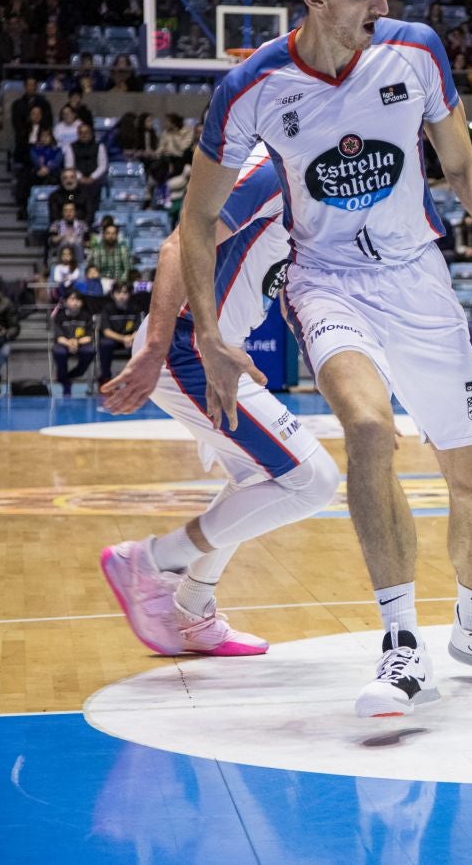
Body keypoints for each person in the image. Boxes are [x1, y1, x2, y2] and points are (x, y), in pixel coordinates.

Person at [178, 0, 472, 717]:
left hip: (420, 280)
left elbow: (463, 165)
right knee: (368, 428)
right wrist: (208, 334)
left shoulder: (417, 51)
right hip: (328, 281)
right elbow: (197, 219)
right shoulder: (252, 86)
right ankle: (402, 641)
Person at [98, 145, 341, 658]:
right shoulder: (274, 165)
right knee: (312, 480)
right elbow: (178, 244)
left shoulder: (312, 182)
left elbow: (261, 284)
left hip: (210, 351)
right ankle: (150, 560)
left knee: (256, 481)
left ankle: (191, 613)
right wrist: (158, 348)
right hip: (186, 349)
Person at [97, 280, 144, 383]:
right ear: (113, 295)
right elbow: (106, 331)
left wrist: (131, 338)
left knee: (138, 345)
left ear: (129, 294)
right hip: (113, 339)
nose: (122, 296)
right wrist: (123, 338)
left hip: (130, 340)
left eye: (125, 293)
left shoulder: (135, 309)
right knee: (105, 344)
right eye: (118, 293)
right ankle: (106, 377)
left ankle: (133, 378)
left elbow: (139, 329)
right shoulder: (107, 309)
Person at [50, 291, 97, 395]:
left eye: (78, 300)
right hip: (63, 344)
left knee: (90, 351)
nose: (75, 302)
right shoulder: (60, 316)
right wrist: (69, 343)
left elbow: (89, 337)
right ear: (66, 302)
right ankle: (66, 384)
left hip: (82, 344)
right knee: (59, 352)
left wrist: (76, 342)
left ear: (82, 302)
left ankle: (67, 376)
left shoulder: (87, 316)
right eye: (72, 299)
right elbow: (58, 337)